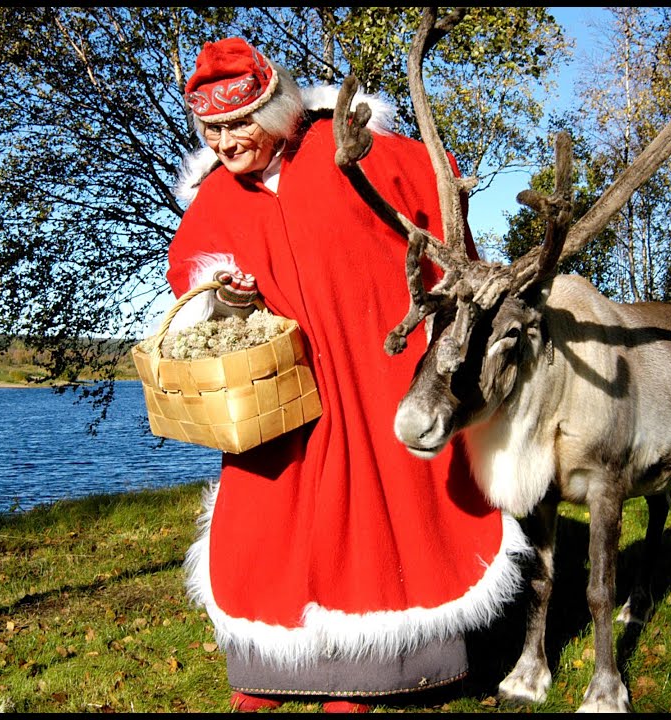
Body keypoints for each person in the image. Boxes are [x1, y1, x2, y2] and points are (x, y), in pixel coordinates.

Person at [165, 37, 529, 713]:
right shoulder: (216, 198)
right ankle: (268, 668)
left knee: (380, 525)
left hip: (374, 371)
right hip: (282, 391)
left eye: (239, 123)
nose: (225, 141)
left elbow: (437, 191)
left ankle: (372, 676)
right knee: (268, 527)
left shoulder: (350, 147)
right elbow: (189, 274)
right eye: (212, 129)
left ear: (274, 112)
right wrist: (222, 290)